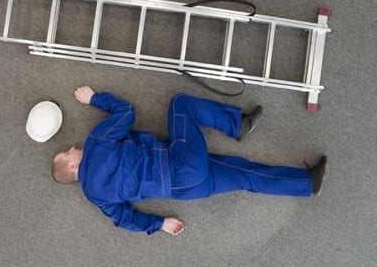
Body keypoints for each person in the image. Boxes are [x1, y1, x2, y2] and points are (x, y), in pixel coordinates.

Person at [52, 86, 328, 236]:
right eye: (68, 152)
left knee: (245, 176)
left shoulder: (95, 195)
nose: (73, 147)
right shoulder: (95, 143)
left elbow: (125, 219)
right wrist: (93, 98)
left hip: (183, 190)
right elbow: (126, 112)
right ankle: (237, 124)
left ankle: (308, 184)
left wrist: (160, 224)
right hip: (179, 162)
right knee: (181, 104)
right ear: (73, 166)